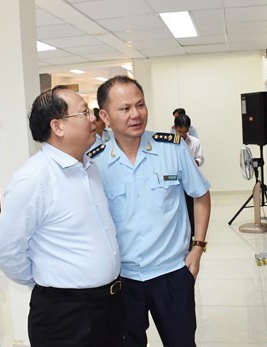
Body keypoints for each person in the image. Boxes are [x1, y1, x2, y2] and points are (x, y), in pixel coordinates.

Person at [0, 86, 123, 346]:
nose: (93, 119)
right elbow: (7, 252)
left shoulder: (89, 167)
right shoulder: (34, 179)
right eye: (84, 113)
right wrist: (48, 283)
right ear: (58, 127)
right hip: (65, 315)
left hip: (108, 305)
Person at [90, 75, 211, 346]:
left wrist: (198, 247)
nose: (136, 114)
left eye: (140, 105)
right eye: (125, 109)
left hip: (172, 273)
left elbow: (201, 195)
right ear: (105, 117)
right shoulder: (94, 163)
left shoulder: (173, 148)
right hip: (122, 280)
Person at [174, 114, 205, 242]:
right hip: (175, 180)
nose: (182, 134)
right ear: (175, 128)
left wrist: (193, 163)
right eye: (179, 131)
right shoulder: (170, 142)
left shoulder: (194, 141)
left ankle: (191, 235)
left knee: (191, 208)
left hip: (190, 179)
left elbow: (201, 158)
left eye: (185, 131)